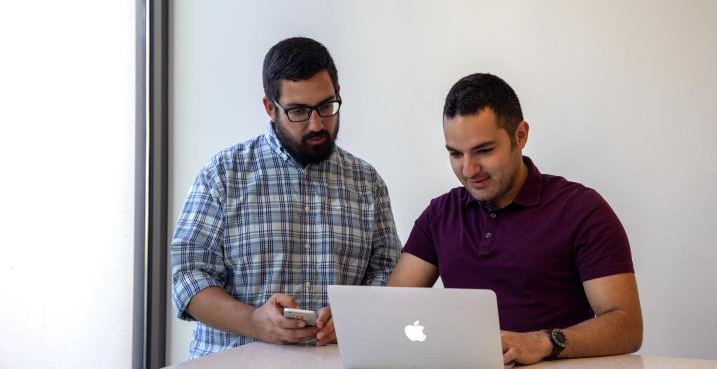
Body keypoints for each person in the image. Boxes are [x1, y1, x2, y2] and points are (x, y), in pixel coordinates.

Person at [388, 73, 642, 366]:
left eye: (483, 151)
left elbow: (627, 326)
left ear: (520, 136)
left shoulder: (582, 210)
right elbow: (393, 309)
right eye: (456, 154)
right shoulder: (440, 214)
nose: (469, 170)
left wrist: (544, 342)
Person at [171, 37, 402, 359]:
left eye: (326, 105)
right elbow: (187, 277)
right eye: (298, 111)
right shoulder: (223, 175)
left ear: (338, 92)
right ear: (270, 107)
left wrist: (355, 314)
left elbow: (389, 272)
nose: (316, 123)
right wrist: (253, 321)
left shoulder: (367, 182)